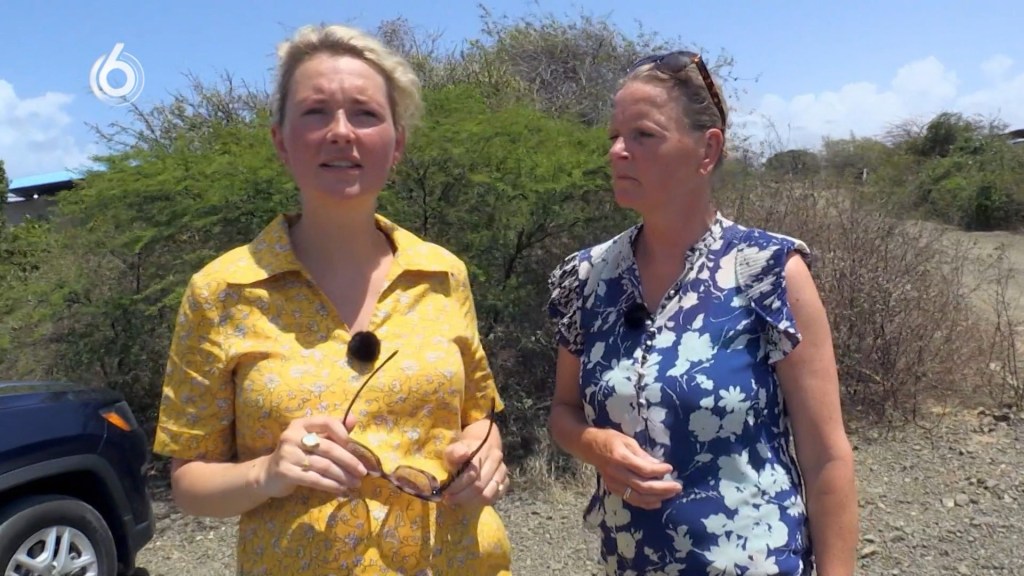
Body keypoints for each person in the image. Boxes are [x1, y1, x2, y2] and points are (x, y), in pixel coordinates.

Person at [153, 24, 511, 575]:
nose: (341, 132)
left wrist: (486, 453)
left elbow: (478, 417)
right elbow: (190, 483)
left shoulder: (444, 274)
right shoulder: (221, 292)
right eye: (316, 112)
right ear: (281, 140)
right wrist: (267, 473)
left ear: (397, 143)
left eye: (365, 113)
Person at [546, 51, 858, 575]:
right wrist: (593, 443)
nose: (618, 151)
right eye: (614, 136)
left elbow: (826, 456)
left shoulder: (767, 270)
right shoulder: (587, 278)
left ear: (707, 149)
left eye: (643, 134)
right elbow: (562, 410)